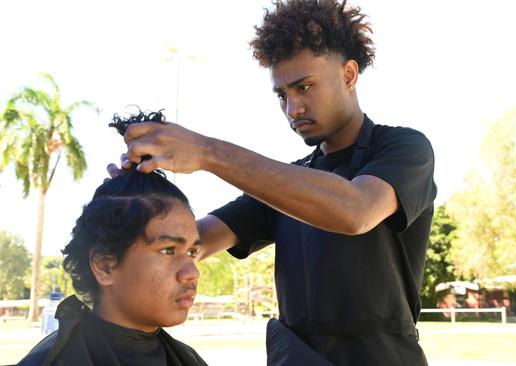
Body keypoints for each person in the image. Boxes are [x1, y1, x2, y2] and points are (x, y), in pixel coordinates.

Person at [111, 1, 436, 364]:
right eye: (282, 95)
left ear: (348, 75)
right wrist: (135, 205)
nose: (292, 108)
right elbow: (191, 245)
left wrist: (207, 152)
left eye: (305, 86)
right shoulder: (283, 187)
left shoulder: (404, 149)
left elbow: (356, 210)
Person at [18, 111, 207, 366]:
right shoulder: (55, 360)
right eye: (168, 250)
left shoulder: (188, 359)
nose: (191, 273)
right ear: (104, 266)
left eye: (192, 253)